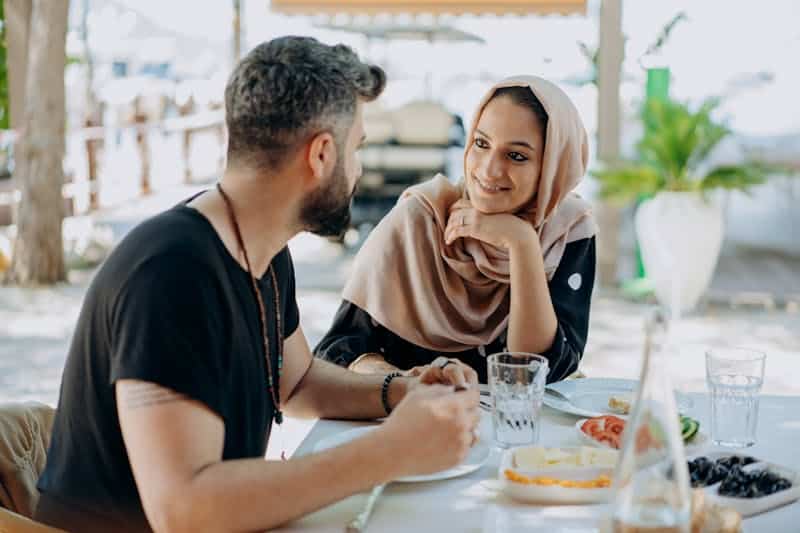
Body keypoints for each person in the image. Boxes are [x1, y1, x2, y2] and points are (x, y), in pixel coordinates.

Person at [34, 36, 479, 533]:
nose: (356, 172)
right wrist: (393, 451)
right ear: (322, 154)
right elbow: (183, 511)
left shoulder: (261, 248)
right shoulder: (173, 274)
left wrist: (400, 390)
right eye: (357, 150)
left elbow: (298, 383)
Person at [315, 76, 598, 383]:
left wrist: (522, 244)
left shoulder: (567, 230)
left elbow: (541, 372)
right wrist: (405, 385)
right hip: (410, 421)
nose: (489, 170)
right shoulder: (418, 221)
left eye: (516, 156)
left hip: (516, 428)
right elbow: (337, 353)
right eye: (481, 143)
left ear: (554, 167)